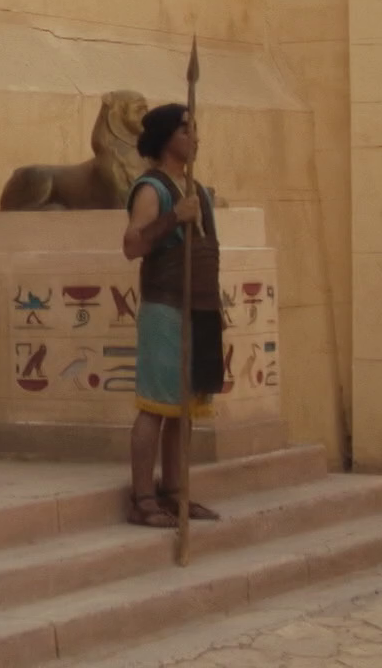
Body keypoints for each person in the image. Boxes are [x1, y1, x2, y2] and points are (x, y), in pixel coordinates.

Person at [120, 103, 225, 528]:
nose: (196, 137)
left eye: (196, 129)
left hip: (200, 307)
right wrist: (172, 218)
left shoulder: (197, 190)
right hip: (165, 308)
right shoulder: (153, 189)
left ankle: (176, 492)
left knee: (184, 407)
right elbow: (132, 246)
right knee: (156, 406)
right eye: (187, 130)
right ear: (167, 138)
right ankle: (143, 498)